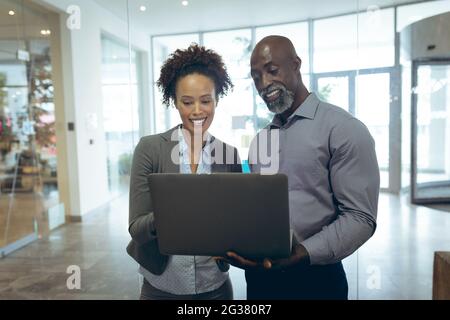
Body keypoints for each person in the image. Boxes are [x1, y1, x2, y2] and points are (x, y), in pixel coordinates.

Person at [223, 36, 380, 300]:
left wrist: (303, 253)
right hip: (261, 279)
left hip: (316, 278)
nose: (264, 84)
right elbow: (257, 208)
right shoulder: (261, 139)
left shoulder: (343, 129)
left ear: (295, 65)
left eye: (272, 71)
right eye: (256, 77)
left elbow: (360, 217)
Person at [127, 44, 242, 300]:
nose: (198, 111)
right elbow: (137, 228)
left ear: (217, 100)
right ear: (174, 102)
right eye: (187, 102)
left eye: (206, 101)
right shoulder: (150, 149)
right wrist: (171, 213)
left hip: (215, 286)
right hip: (161, 286)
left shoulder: (229, 154)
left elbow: (235, 223)